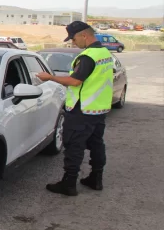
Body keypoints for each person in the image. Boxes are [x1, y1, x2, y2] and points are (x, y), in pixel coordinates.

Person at [36, 21, 113, 196]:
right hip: (98, 110)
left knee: (74, 146)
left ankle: (69, 184)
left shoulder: (88, 57)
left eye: (73, 38)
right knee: (96, 144)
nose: (73, 43)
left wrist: (50, 77)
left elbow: (75, 81)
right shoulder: (104, 53)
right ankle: (96, 179)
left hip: (82, 111)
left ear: (83, 35)